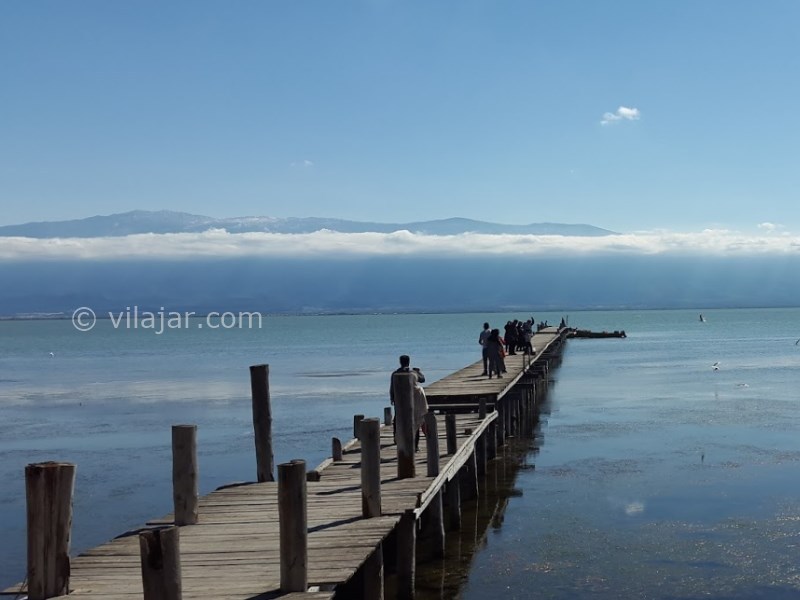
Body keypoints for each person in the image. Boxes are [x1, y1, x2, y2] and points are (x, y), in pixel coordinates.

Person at [390, 355, 427, 451]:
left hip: (399, 400)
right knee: (415, 420)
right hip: (412, 399)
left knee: (398, 419)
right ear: (409, 362)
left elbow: (392, 387)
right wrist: (419, 371)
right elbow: (422, 379)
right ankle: (415, 445)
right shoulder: (413, 373)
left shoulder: (395, 373)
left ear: (400, 362)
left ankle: (396, 438)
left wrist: (392, 398)